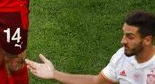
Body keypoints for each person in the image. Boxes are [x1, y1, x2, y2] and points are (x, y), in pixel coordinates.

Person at [26, 11, 155, 84]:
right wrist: (54, 74)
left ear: (147, 40)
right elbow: (95, 81)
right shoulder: (121, 56)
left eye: (130, 37)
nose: (123, 41)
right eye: (124, 34)